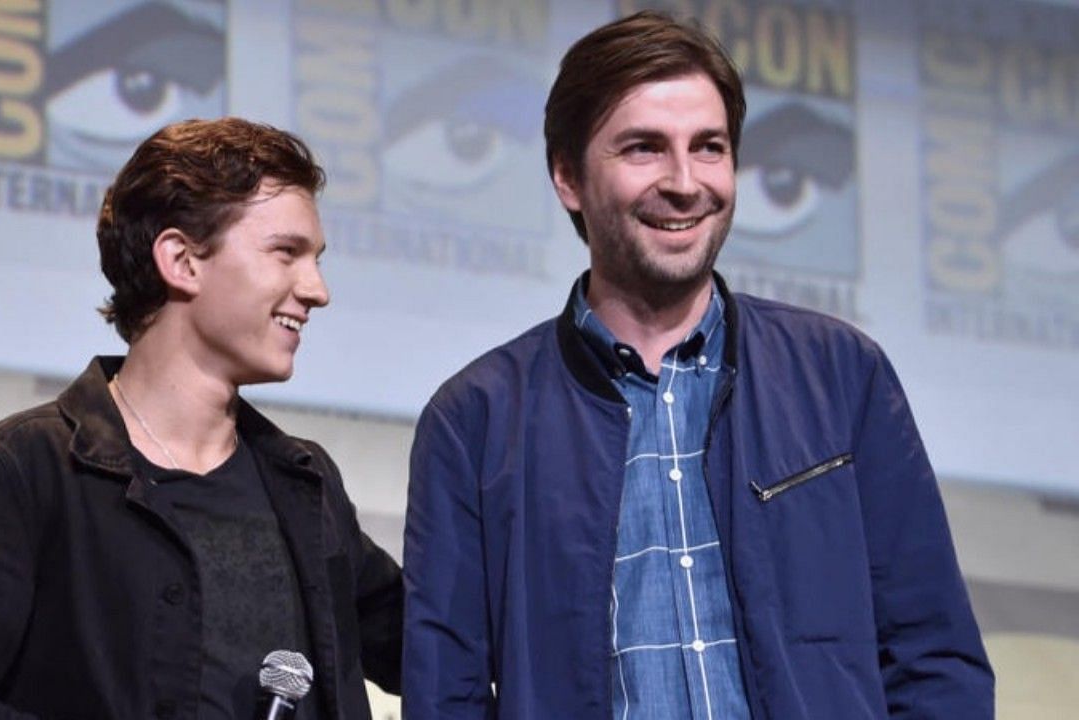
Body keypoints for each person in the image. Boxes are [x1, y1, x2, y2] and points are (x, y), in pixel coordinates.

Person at [402, 11, 992, 720]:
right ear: (568, 178)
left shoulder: (841, 374)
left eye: (708, 148)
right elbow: (446, 696)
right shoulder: (475, 420)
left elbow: (934, 659)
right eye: (644, 149)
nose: (685, 183)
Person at [0, 118, 402, 720]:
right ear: (181, 260)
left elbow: (432, 641)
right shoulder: (19, 473)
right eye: (286, 253)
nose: (317, 289)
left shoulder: (306, 485)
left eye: (316, 259)